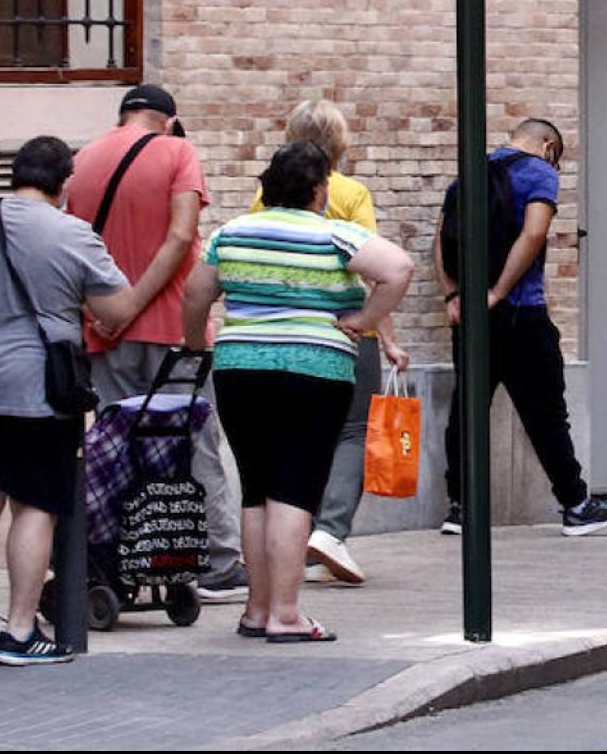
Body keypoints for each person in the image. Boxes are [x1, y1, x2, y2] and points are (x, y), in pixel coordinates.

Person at [183, 142, 414, 644]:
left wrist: (194, 341)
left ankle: (256, 609)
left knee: (256, 490)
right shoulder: (335, 233)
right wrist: (365, 320)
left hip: (240, 370)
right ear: (317, 190)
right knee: (295, 488)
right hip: (315, 371)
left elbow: (196, 293)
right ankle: (286, 615)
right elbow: (398, 269)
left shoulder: (231, 233)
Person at [0, 136, 144, 666]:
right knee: (35, 507)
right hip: (37, 387)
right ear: (64, 183)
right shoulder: (72, 233)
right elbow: (118, 308)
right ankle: (22, 632)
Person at [69, 83, 244, 601]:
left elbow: (70, 249)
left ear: (123, 116)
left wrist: (103, 312)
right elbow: (181, 235)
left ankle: (123, 563)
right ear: (168, 120)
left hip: (105, 333)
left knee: (117, 447)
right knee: (194, 444)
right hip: (172, 330)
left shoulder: (83, 159)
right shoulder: (177, 151)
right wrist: (135, 302)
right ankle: (217, 564)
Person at [435, 119, 607, 536]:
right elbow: (535, 231)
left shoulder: (468, 175)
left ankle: (459, 508)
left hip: (471, 316)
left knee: (467, 409)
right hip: (522, 313)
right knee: (546, 414)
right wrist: (499, 291)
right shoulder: (538, 171)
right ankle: (576, 504)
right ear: (548, 146)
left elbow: (440, 241)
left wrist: (453, 296)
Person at [251, 99, 409, 586]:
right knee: (354, 432)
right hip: (345, 330)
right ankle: (331, 531)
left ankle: (297, 535)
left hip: (279, 332)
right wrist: (385, 336)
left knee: (294, 435)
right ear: (339, 144)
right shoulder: (351, 192)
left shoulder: (265, 196)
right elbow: (375, 272)